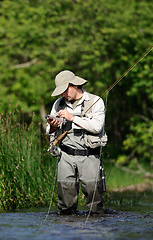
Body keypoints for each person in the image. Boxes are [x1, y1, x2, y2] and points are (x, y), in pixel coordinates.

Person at [46, 70, 107, 215]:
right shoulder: (58, 103)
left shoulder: (96, 101)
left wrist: (72, 118)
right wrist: (53, 125)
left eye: (65, 90)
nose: (63, 95)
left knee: (95, 203)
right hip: (65, 155)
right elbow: (50, 129)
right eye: (60, 92)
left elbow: (97, 127)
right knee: (65, 204)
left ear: (74, 85)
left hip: (89, 155)